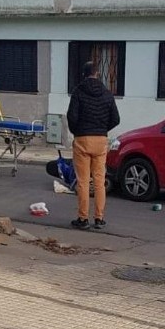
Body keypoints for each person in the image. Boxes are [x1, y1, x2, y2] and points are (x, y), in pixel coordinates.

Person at [66, 61, 120, 230]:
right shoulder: (107, 93)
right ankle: (99, 218)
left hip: (82, 139)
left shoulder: (78, 92)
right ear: (98, 74)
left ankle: (83, 219)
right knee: (99, 181)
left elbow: (72, 117)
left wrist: (78, 132)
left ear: (84, 74)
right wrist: (102, 129)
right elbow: (116, 119)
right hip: (100, 140)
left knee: (83, 181)